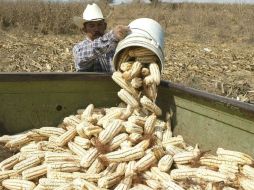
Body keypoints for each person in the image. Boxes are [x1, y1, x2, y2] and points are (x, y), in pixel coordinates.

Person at [73, 3, 130, 72]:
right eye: (92, 26)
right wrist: (113, 35)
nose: (96, 29)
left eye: (99, 24)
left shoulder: (116, 45)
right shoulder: (79, 48)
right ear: (84, 29)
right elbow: (91, 50)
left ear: (105, 26)